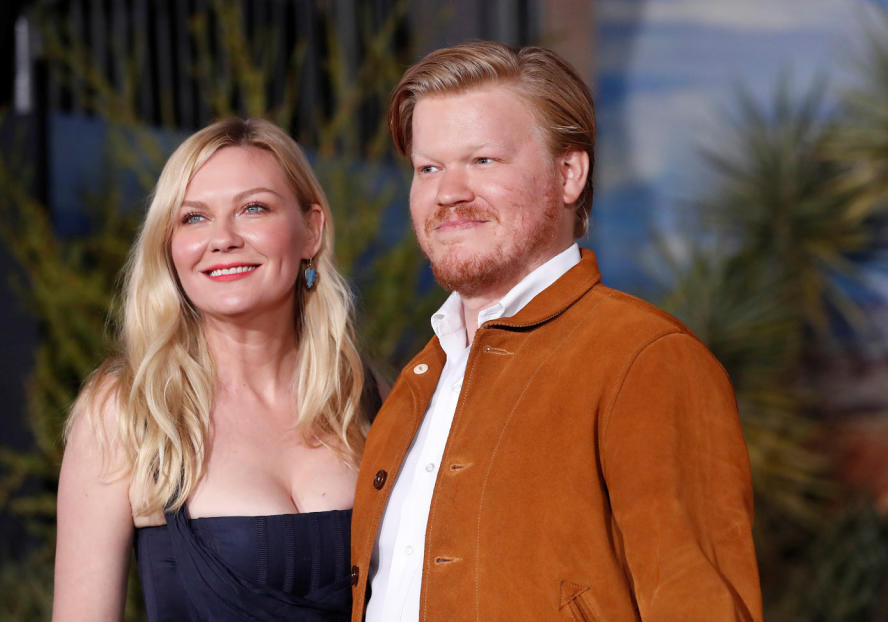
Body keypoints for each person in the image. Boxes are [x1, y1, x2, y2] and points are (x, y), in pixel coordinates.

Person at [350, 41, 762, 621]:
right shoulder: (420, 378)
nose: (449, 192)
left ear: (569, 173)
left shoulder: (645, 359)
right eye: (429, 168)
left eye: (484, 161)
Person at [53, 118, 378, 621]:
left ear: (311, 229)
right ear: (169, 246)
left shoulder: (366, 396)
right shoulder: (126, 414)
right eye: (193, 218)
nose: (222, 238)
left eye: (253, 208)